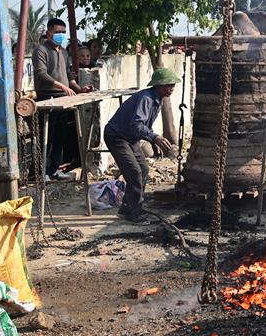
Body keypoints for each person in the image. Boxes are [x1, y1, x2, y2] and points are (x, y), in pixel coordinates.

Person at [103, 67, 180, 224]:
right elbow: (136, 125)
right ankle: (134, 213)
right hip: (117, 136)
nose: (171, 88)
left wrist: (153, 140)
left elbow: (143, 126)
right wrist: (154, 137)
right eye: (168, 85)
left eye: (172, 85)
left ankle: (128, 208)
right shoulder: (146, 99)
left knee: (143, 169)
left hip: (131, 138)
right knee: (134, 172)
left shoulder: (158, 99)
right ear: (158, 85)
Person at [32, 18, 91, 181]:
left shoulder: (64, 52)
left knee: (60, 136)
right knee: (47, 137)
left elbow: (69, 76)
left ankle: (54, 170)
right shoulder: (41, 50)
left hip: (64, 99)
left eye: (63, 32)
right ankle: (42, 172)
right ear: (49, 32)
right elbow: (41, 74)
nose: (61, 35)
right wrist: (62, 87)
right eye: (57, 32)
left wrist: (79, 89)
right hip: (47, 98)